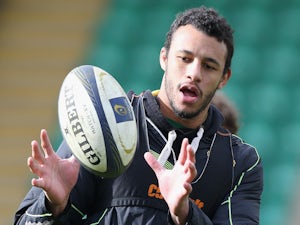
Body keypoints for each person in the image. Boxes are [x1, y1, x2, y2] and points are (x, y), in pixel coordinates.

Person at [14, 6, 263, 225]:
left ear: (224, 78)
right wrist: (51, 206)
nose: (194, 73)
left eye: (209, 66)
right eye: (185, 58)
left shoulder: (238, 163)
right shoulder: (104, 122)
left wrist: (185, 214)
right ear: (164, 58)